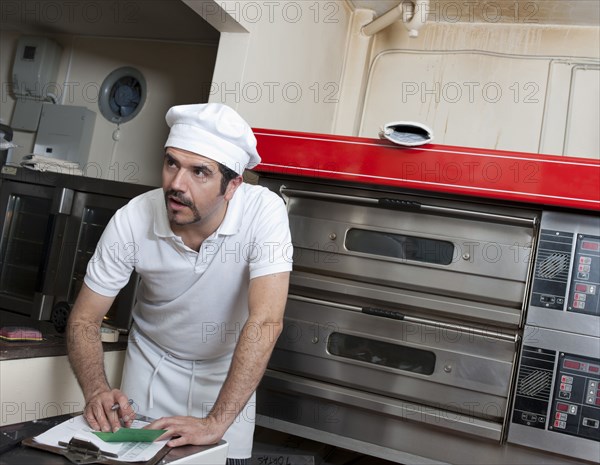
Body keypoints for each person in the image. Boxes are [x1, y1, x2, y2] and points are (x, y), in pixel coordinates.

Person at [66, 103, 293, 465]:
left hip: (227, 373)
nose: (176, 184)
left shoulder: (264, 213)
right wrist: (97, 390)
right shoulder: (132, 220)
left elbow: (265, 321)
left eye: (199, 172)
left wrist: (217, 422)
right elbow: (83, 320)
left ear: (233, 185)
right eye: (172, 163)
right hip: (152, 367)